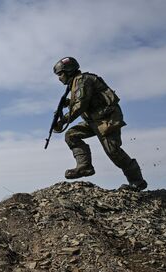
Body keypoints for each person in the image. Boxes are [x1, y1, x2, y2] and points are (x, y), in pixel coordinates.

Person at [52, 56, 147, 191]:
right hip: (94, 121)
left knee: (113, 152)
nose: (59, 78)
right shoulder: (75, 83)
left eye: (60, 74)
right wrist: (67, 104)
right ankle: (85, 166)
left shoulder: (83, 80)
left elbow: (80, 105)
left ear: (69, 71)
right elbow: (82, 101)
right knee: (71, 135)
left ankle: (137, 182)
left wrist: (62, 121)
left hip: (106, 119)